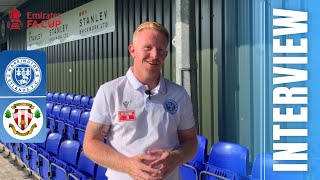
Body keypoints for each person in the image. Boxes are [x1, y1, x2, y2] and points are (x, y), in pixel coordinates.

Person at [83, 21, 198, 180]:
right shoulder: (110, 92)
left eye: (160, 50)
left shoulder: (179, 95)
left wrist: (176, 157)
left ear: (165, 55)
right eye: (148, 48)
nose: (154, 55)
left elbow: (191, 141)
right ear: (132, 50)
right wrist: (127, 165)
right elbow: (90, 144)